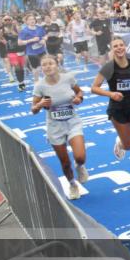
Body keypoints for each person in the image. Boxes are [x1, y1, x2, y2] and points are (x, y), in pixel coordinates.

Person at [91, 36, 130, 189]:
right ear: (112, 49)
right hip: (118, 109)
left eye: (121, 45)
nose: (119, 48)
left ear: (125, 47)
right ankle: (120, 143)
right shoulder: (108, 67)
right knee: (128, 146)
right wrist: (111, 94)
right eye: (115, 46)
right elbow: (94, 88)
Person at [31, 55, 89, 199]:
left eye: (50, 63)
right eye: (44, 65)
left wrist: (79, 99)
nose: (47, 67)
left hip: (73, 122)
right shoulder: (40, 86)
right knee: (65, 162)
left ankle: (80, 166)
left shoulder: (68, 78)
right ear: (41, 68)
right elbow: (33, 109)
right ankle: (72, 184)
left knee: (80, 156)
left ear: (57, 65)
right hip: (54, 127)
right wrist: (40, 104)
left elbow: (79, 92)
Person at [18, 13, 47, 82]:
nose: (32, 21)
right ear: (27, 21)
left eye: (33, 19)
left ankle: (47, 81)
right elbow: (19, 43)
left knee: (45, 66)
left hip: (42, 51)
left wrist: (44, 40)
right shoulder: (24, 31)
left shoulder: (40, 28)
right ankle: (36, 81)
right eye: (30, 19)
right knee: (36, 69)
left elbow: (45, 36)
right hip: (32, 53)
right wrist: (31, 40)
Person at [1, 16, 26, 91]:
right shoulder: (2, 30)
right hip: (11, 51)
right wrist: (4, 41)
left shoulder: (16, 27)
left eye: (9, 19)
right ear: (3, 21)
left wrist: (15, 32)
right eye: (5, 20)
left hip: (20, 49)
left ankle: (22, 81)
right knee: (17, 67)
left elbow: (22, 35)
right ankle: (20, 83)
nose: (7, 21)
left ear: (11, 20)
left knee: (21, 68)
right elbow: (0, 38)